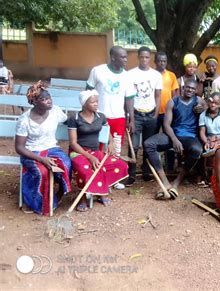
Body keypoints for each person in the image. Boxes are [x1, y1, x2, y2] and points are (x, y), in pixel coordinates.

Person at [14, 81, 72, 215]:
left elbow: (67, 119)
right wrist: (41, 159)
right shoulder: (24, 120)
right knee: (42, 172)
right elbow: (19, 148)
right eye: (43, 99)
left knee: (66, 164)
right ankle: (36, 203)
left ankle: (58, 194)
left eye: (49, 97)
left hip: (52, 148)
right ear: (34, 101)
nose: (48, 101)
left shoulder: (55, 111)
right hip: (32, 152)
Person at [67, 90, 129, 211]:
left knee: (120, 165)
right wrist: (89, 157)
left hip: (95, 152)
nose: (96, 104)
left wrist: (111, 142)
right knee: (84, 169)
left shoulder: (100, 116)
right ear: (84, 103)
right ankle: (83, 198)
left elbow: (107, 130)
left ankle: (101, 191)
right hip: (78, 152)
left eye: (97, 101)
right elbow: (73, 143)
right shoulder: (74, 118)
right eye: (93, 102)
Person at [144, 79, 204, 198]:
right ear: (183, 87)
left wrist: (203, 108)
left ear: (196, 90)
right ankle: (165, 182)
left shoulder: (198, 101)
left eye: (193, 88)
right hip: (173, 135)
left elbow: (210, 108)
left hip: (190, 136)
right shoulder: (173, 102)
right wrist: (175, 140)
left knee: (197, 150)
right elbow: (166, 124)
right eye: (188, 87)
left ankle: (177, 182)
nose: (190, 90)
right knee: (148, 144)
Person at [86, 46, 135, 189]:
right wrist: (90, 114)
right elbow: (88, 92)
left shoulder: (127, 76)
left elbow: (129, 98)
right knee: (99, 146)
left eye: (126, 57)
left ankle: (114, 178)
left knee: (116, 148)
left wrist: (131, 118)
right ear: (113, 57)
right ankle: (98, 174)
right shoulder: (97, 71)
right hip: (99, 116)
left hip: (118, 117)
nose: (126, 60)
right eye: (123, 57)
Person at [125, 46, 163, 186]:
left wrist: (156, 114)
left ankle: (146, 171)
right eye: (142, 57)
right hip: (136, 114)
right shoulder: (130, 74)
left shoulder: (156, 75)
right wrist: (131, 119)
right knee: (134, 146)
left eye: (147, 57)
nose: (144, 60)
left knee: (148, 145)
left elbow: (158, 96)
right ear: (138, 57)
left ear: (150, 58)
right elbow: (129, 97)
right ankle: (132, 174)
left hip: (151, 114)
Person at [155, 51, 179, 132]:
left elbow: (175, 94)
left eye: (164, 61)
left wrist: (174, 109)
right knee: (152, 135)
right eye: (160, 61)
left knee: (168, 134)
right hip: (154, 112)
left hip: (168, 112)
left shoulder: (171, 75)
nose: (162, 63)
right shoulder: (151, 75)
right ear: (155, 61)